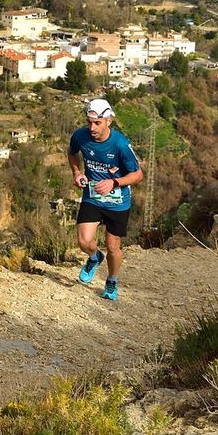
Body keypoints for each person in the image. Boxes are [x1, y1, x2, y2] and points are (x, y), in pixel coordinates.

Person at [69, 98, 144, 302]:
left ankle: (111, 280)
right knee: (84, 241)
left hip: (118, 202)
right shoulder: (80, 136)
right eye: (89, 122)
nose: (92, 128)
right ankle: (94, 258)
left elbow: (138, 175)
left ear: (108, 121)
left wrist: (114, 183)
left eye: (97, 123)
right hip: (92, 197)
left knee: (112, 246)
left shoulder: (120, 144)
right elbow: (72, 153)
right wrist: (76, 172)